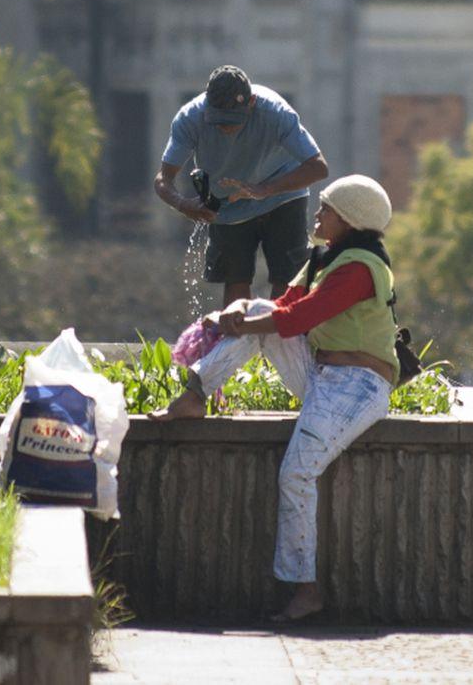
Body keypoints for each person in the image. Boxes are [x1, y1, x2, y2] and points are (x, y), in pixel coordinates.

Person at [151, 175, 399, 623]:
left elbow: (305, 316)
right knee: (260, 309)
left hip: (358, 384)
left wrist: (242, 325)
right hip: (323, 373)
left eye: (326, 209)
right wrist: (236, 311)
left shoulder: (361, 267)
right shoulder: (325, 257)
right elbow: (283, 303)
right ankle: (194, 393)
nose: (318, 215)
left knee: (297, 473)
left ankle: (306, 590)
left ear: (350, 219)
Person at [154, 65, 329, 306]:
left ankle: (278, 341)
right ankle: (237, 340)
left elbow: (318, 167)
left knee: (286, 279)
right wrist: (184, 205)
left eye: (234, 120)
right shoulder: (190, 118)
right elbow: (163, 180)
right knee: (235, 279)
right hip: (228, 204)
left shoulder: (275, 113)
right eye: (219, 121)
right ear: (207, 105)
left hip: (282, 194)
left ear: (252, 102)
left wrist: (265, 189)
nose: (226, 128)